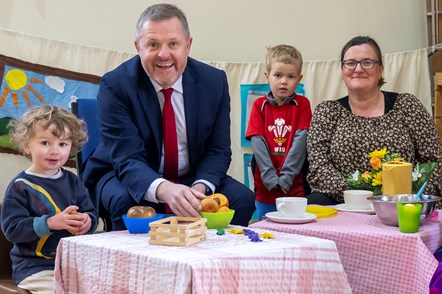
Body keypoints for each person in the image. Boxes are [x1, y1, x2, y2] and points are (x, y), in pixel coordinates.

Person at [81, 3, 255, 230]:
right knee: (126, 202)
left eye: (173, 44)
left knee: (242, 199)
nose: (164, 54)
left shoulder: (214, 82)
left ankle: (210, 263)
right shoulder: (115, 85)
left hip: (190, 177)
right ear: (138, 47)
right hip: (123, 172)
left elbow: (218, 150)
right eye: (153, 44)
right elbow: (126, 158)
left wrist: (200, 188)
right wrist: (164, 189)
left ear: (188, 45)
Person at [306, 35, 442, 205]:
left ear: (380, 70)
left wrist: (406, 198)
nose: (358, 69)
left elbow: (433, 163)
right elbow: (319, 168)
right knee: (309, 207)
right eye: (350, 63)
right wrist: (360, 198)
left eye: (367, 62)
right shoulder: (327, 112)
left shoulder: (407, 105)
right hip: (342, 201)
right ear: (342, 70)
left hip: (403, 202)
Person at [1, 105, 98, 293]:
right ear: (27, 145)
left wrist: (87, 221)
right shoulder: (20, 186)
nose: (55, 151)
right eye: (45, 143)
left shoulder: (72, 180)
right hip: (35, 269)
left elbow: (90, 212)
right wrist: (51, 223)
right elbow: (13, 230)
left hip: (71, 264)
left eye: (62, 144)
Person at [245, 45, 311, 219]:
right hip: (265, 187)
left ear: (299, 79)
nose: (284, 81)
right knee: (267, 232)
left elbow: (301, 141)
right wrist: (270, 178)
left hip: (293, 187)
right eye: (278, 75)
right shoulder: (259, 105)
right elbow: (257, 141)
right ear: (267, 76)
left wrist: (287, 176)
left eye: (291, 76)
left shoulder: (303, 104)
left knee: (294, 233)